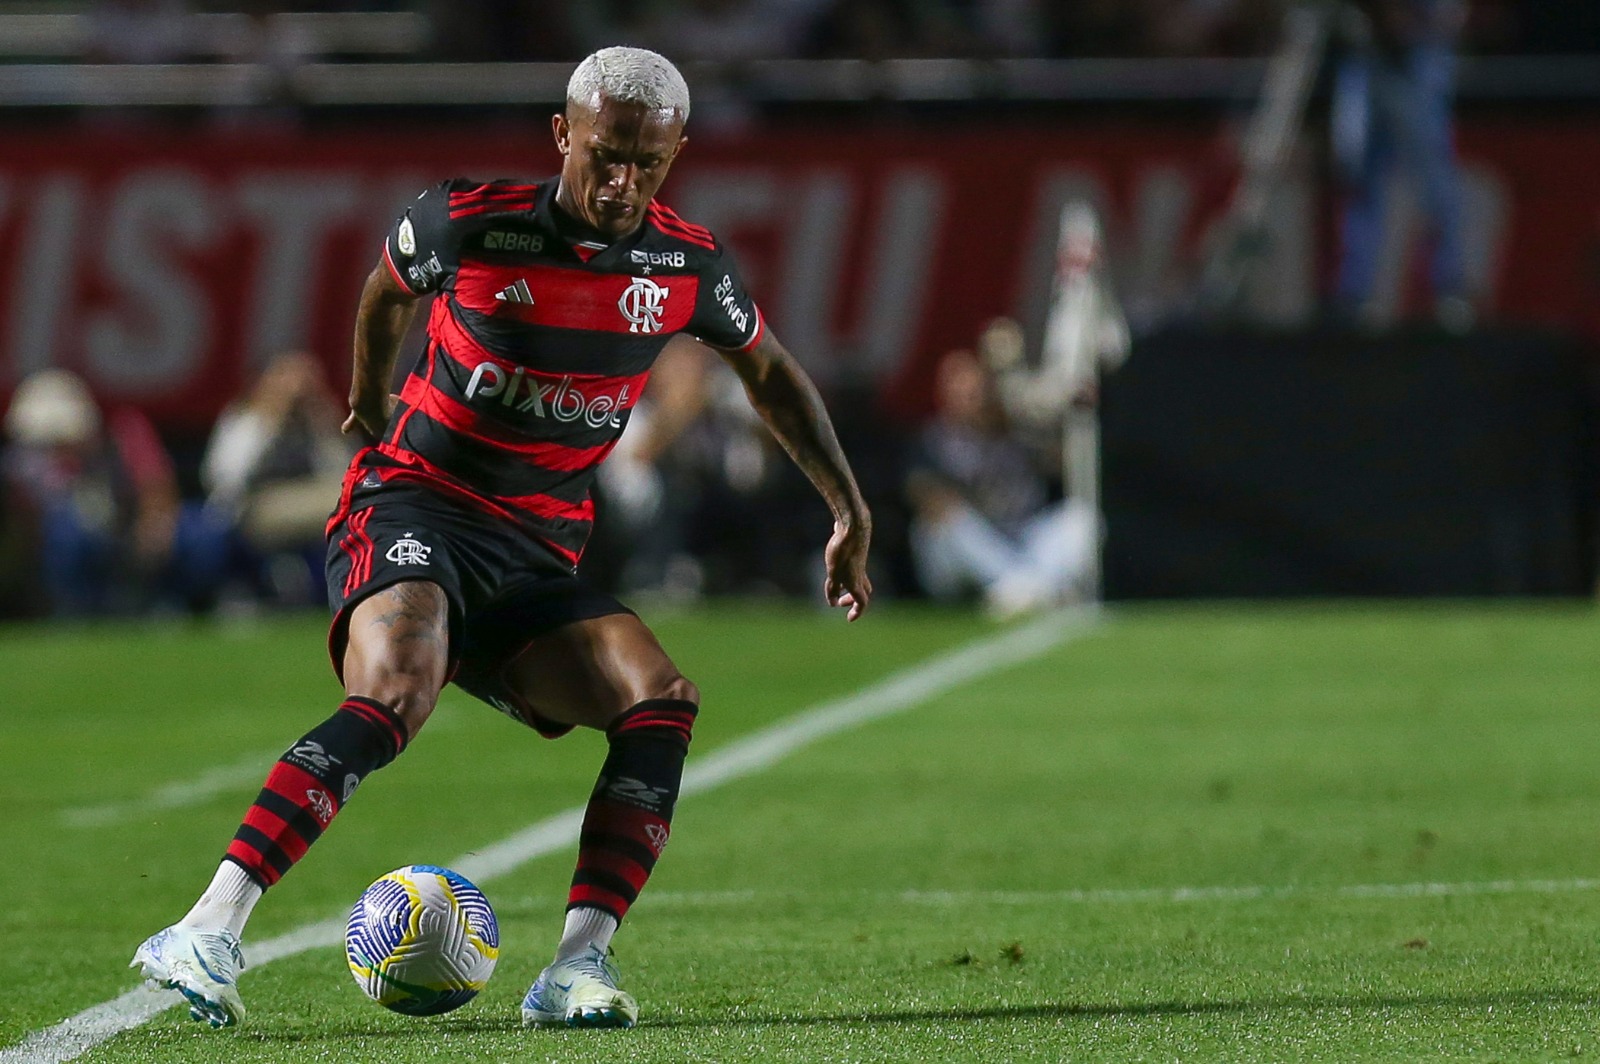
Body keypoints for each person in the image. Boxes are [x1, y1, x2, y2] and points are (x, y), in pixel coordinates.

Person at [130, 45, 873, 1031]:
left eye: (647, 163)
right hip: (416, 505)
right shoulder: (474, 222)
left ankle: (574, 968)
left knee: (660, 696)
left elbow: (769, 372)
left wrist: (847, 507)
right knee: (397, 687)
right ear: (561, 134)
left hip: (535, 551)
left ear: (676, 153)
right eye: (605, 153)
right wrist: (367, 392)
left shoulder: (683, 263)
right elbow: (385, 289)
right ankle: (205, 925)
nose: (622, 180)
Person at [906, 348, 1096, 617]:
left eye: (977, 389)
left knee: (1080, 519)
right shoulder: (934, 440)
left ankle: (1020, 589)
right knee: (945, 522)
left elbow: (1063, 463)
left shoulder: (1019, 430)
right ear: (945, 393)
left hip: (1024, 538)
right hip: (970, 552)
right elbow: (925, 496)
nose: (972, 397)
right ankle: (1022, 586)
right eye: (962, 389)